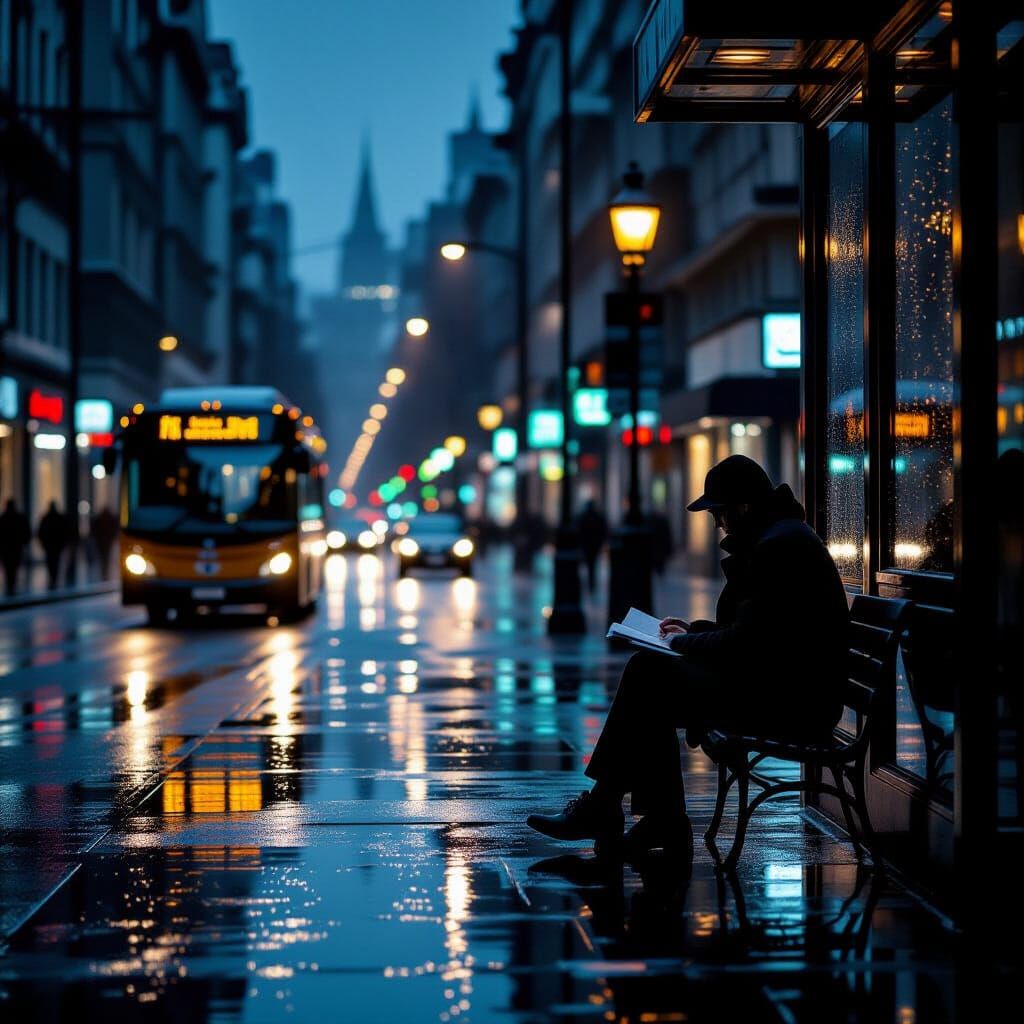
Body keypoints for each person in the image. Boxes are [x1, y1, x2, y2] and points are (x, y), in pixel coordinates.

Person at [527, 455, 850, 859]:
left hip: (793, 704)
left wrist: (683, 644)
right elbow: (756, 632)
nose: (719, 525)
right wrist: (693, 633)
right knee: (651, 677)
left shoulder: (778, 548)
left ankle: (620, 809)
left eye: (720, 513)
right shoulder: (780, 538)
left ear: (743, 508)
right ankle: (634, 812)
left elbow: (746, 643)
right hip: (783, 687)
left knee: (650, 674)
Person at [0, 498, 31, 596]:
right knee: (13, 566)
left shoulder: (3, 518)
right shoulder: (19, 517)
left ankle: (10, 585)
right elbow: (26, 531)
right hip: (16, 547)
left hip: (6, 548)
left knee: (9, 566)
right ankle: (11, 585)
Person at [576, 499, 608, 593]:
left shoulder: (584, 517)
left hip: (588, 545)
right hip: (594, 545)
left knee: (590, 565)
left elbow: (579, 532)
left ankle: (590, 584)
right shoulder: (597, 517)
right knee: (592, 565)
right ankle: (591, 584)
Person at [37, 501, 70, 590]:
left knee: (51, 562)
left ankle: (53, 579)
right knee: (55, 562)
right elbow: (65, 531)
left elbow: (40, 532)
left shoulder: (46, 518)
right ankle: (54, 579)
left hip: (50, 545)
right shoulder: (58, 518)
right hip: (56, 545)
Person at [90, 505, 119, 581]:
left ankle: (104, 573)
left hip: (103, 541)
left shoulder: (100, 519)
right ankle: (104, 573)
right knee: (105, 558)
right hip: (105, 541)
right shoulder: (109, 519)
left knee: (104, 558)